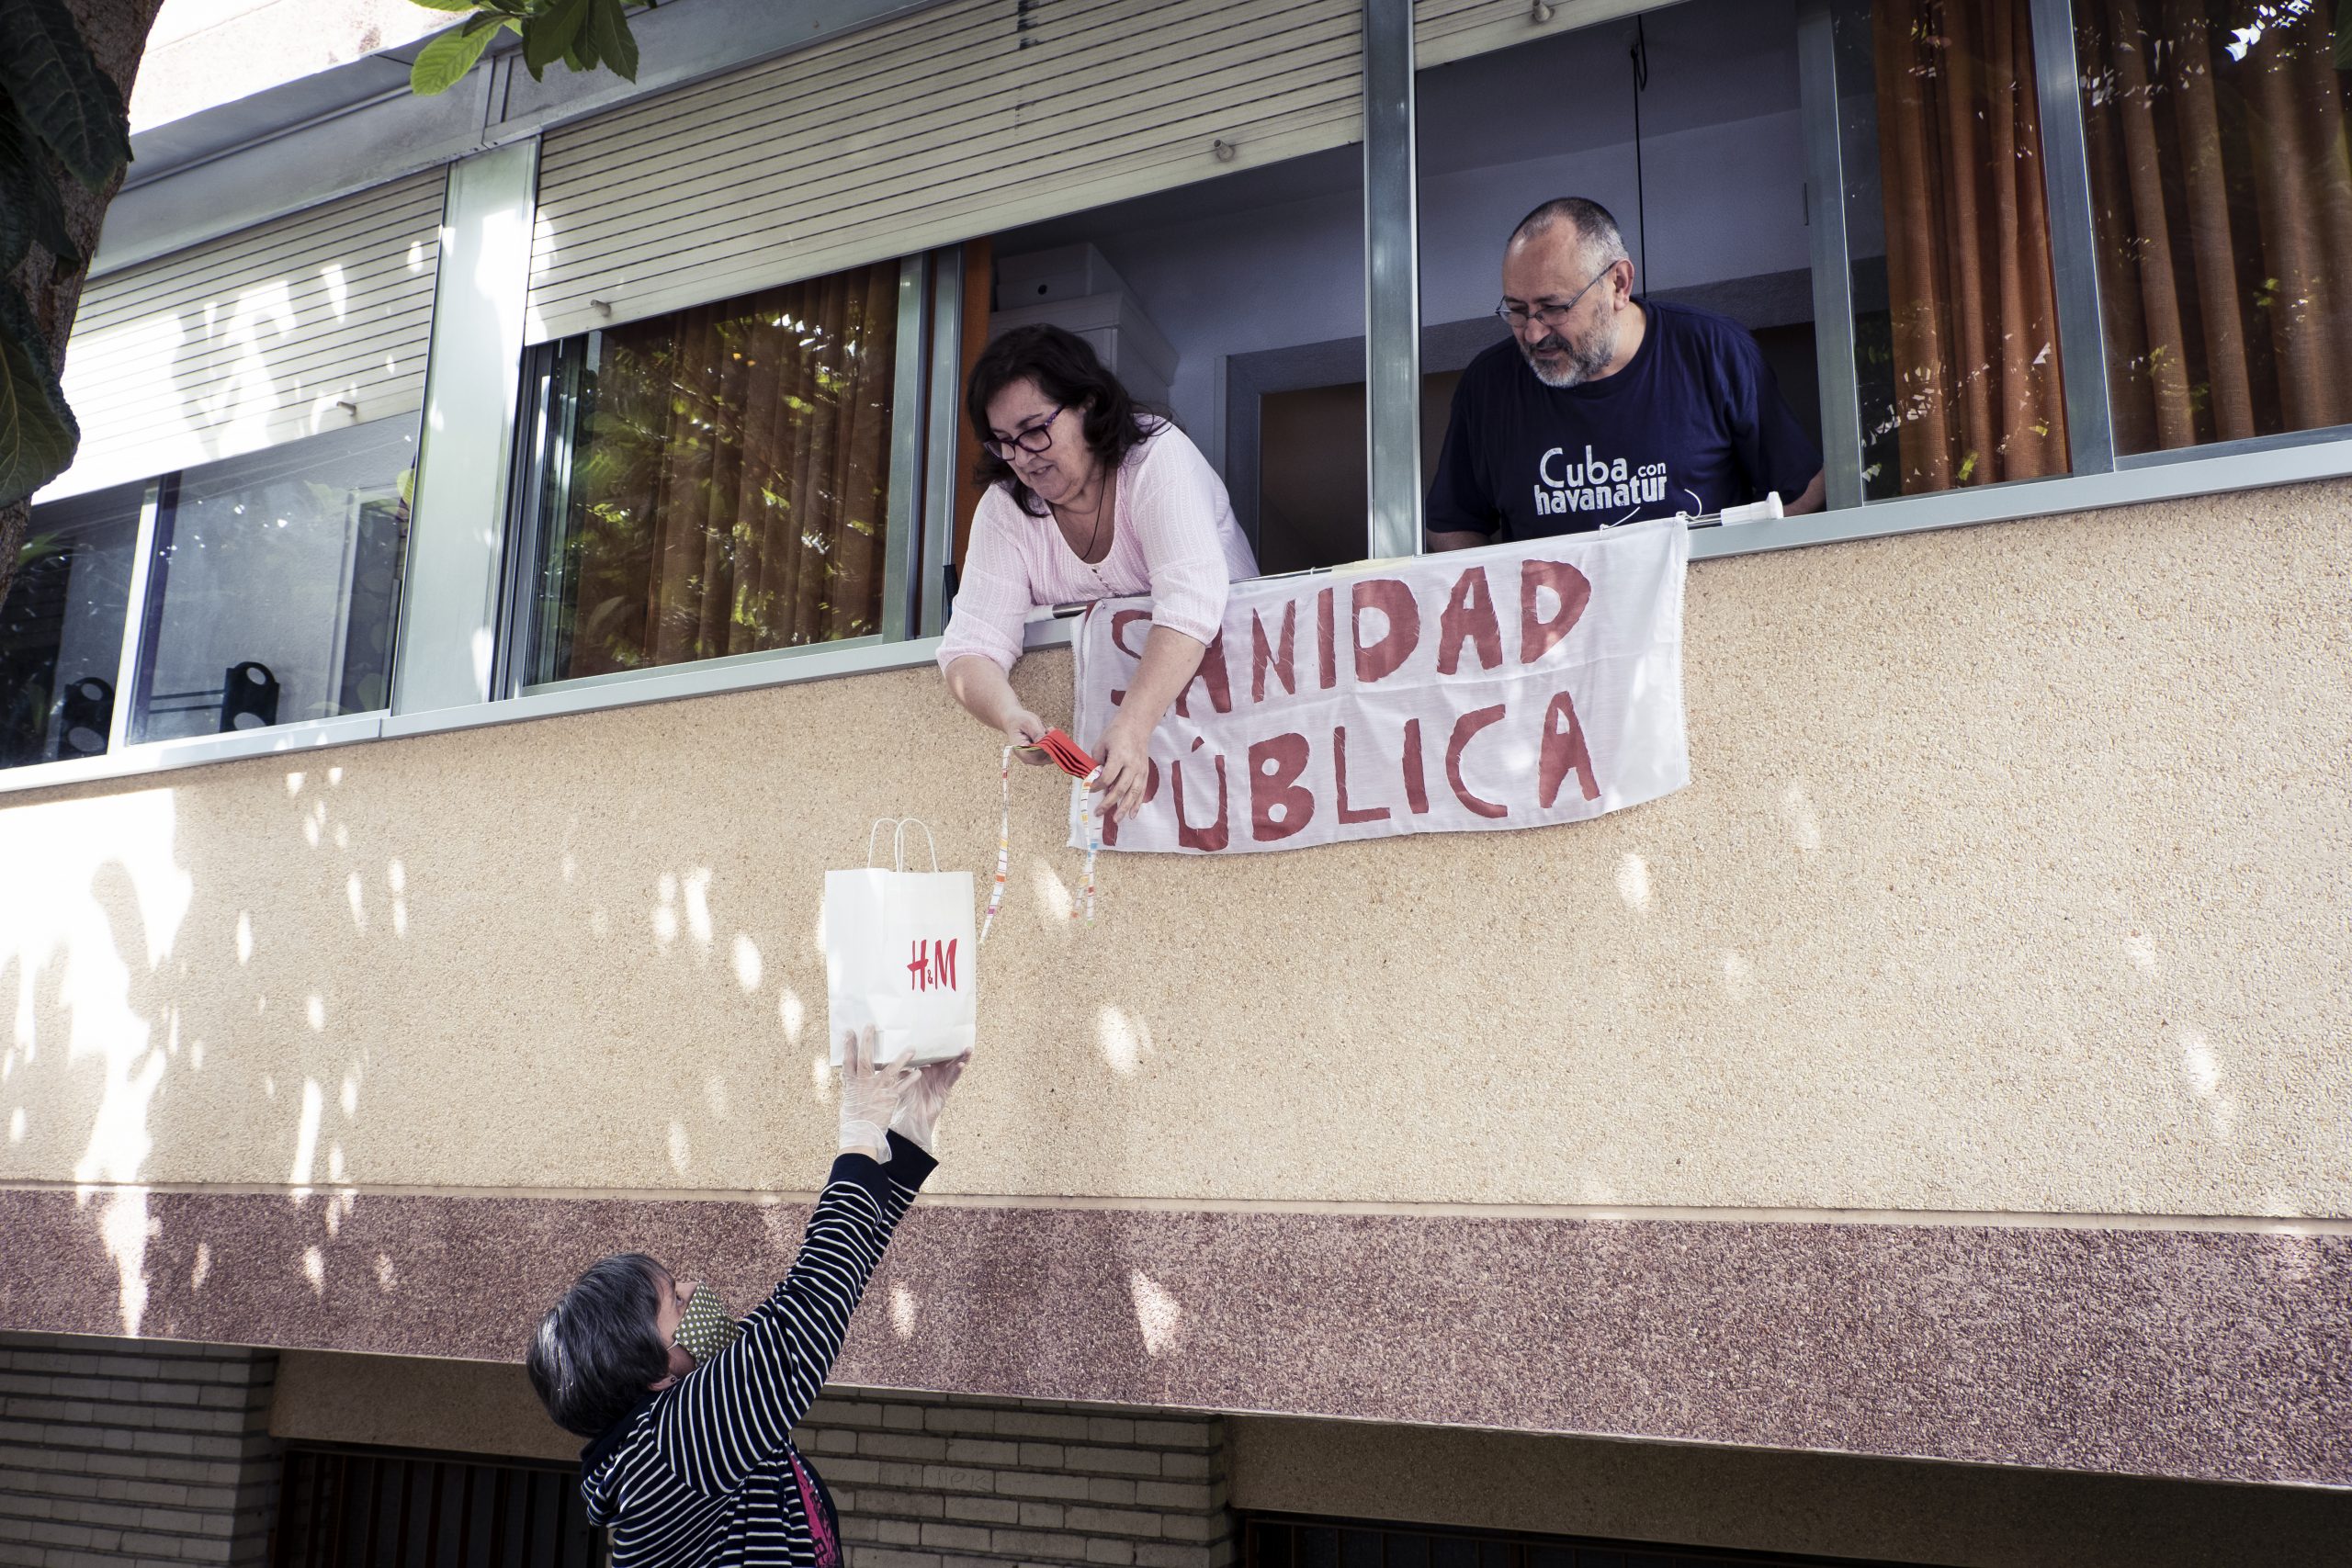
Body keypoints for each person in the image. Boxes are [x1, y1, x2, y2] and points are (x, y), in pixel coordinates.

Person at [526, 1028, 967, 1568]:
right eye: (674, 1300)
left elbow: (826, 1287)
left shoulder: (679, 1433)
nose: (691, 1288)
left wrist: (908, 1132)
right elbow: (807, 1313)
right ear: (654, 1373)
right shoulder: (668, 1452)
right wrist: (857, 1136)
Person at [939, 323, 1257, 822]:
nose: (1022, 457)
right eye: (1003, 442)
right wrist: (1007, 713)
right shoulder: (1004, 510)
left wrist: (1132, 724)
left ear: (1086, 403)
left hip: (1236, 707)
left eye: (1035, 429)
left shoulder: (1156, 457)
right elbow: (970, 646)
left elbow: (1190, 603)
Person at [1426, 197, 1825, 548]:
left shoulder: (1713, 351)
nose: (1533, 331)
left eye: (1555, 307)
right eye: (1516, 309)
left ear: (1618, 283)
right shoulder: (1488, 386)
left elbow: (1802, 489)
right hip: (1556, 627)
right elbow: (1454, 524)